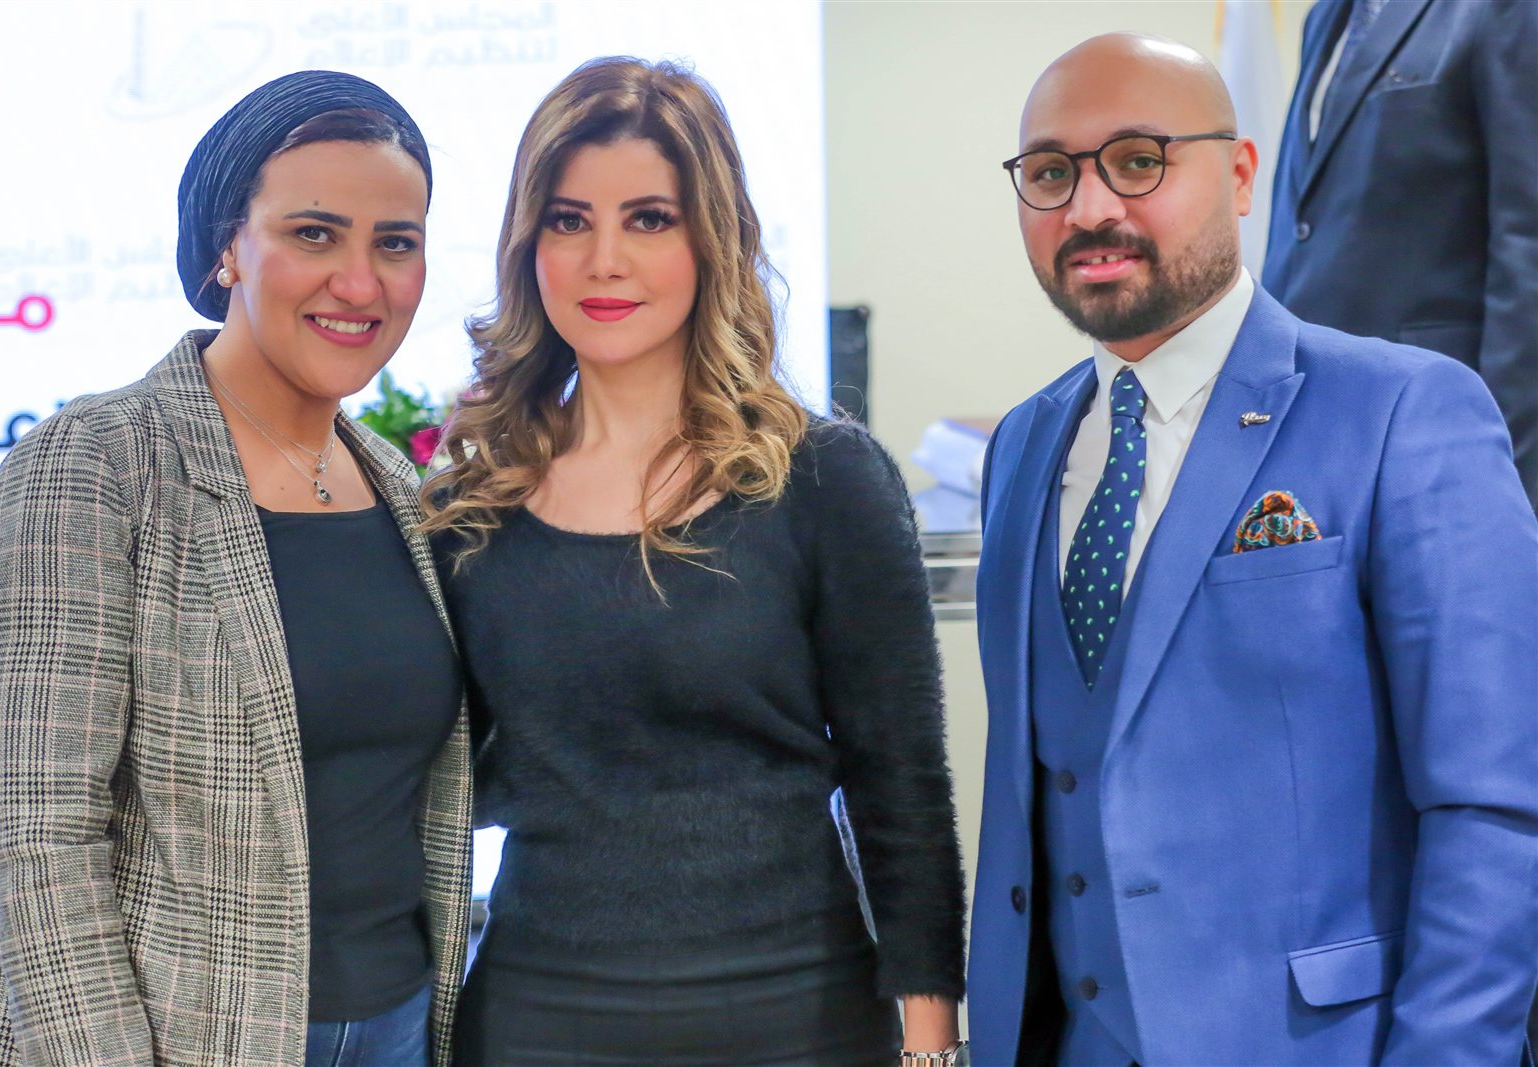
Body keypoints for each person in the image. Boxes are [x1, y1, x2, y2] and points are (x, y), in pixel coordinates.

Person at [970, 33, 1538, 1066]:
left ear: (1238, 177)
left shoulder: (1403, 411)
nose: (1089, 207)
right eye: (1050, 173)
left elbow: (1496, 804)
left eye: (1138, 160)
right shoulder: (1021, 445)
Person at [420, 57, 967, 1067]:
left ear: (712, 240)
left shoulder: (823, 478)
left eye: (649, 219)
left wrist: (931, 1047)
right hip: (538, 1020)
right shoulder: (470, 507)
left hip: (799, 1020)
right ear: (529, 244)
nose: (604, 261)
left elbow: (902, 786)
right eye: (569, 220)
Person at [0, 71, 473, 1067]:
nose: (360, 282)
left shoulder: (399, 488)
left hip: (400, 1024)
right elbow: (36, 837)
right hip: (187, 1038)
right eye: (314, 233)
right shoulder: (95, 462)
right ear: (227, 247)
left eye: (395, 242)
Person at [1262, 0, 1538, 511]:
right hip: (1311, 420)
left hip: (1437, 428)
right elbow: (1305, 224)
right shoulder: (1325, 16)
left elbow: (1526, 247)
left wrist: (1505, 468)